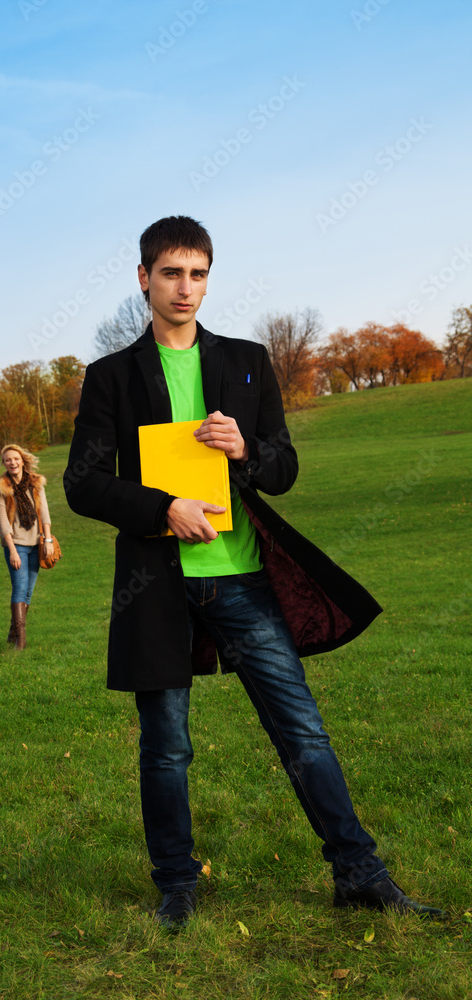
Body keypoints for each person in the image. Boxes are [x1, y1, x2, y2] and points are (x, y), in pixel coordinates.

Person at [64, 215, 444, 929]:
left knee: (302, 733)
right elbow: (82, 484)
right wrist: (161, 508)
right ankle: (176, 885)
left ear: (208, 278)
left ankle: (357, 873)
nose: (185, 288)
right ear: (143, 278)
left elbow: (285, 469)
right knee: (166, 747)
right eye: (171, 273)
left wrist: (244, 452)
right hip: (156, 585)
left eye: (198, 274)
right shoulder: (109, 377)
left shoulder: (246, 360)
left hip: (240, 579)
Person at [0, 444, 54, 649]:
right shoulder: (2, 487)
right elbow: (2, 522)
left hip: (36, 543)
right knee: (19, 588)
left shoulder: (36, 483)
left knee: (28, 591)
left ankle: (12, 635)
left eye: (16, 459)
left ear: (22, 460)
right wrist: (11, 551)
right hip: (16, 545)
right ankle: (21, 640)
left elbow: (44, 513)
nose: (12, 463)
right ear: (4, 463)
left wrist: (47, 540)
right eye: (8, 459)